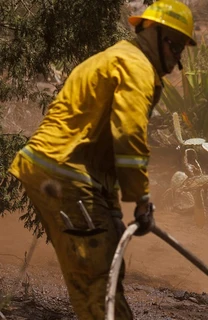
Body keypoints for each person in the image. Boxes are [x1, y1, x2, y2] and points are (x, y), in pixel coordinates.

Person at [8, 0, 196, 318]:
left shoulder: (116, 59)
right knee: (95, 279)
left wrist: (111, 207)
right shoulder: (135, 66)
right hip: (64, 173)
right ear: (154, 33)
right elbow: (127, 134)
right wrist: (140, 198)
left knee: (107, 268)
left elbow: (101, 143)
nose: (177, 60)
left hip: (68, 171)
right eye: (175, 46)